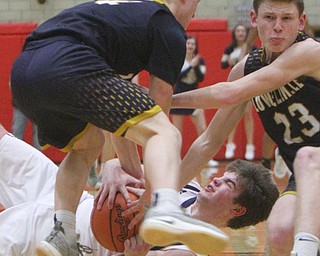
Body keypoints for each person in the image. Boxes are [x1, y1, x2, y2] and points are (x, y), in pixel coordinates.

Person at [9, 1, 227, 256]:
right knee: (165, 133)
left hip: (24, 74)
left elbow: (121, 125)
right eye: (195, 6)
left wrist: (133, 175)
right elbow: (158, 114)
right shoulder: (168, 27)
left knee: (87, 145)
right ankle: (166, 207)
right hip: (67, 62)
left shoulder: (124, 18)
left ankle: (63, 232)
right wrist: (151, 193)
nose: (194, 14)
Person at [171, 0, 320, 255]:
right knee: (279, 231)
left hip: (312, 162)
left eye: (286, 19)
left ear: (301, 22)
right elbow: (209, 141)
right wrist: (163, 195)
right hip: (305, 175)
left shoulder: (310, 52)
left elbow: (229, 94)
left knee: (309, 156)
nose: (277, 27)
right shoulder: (244, 70)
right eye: (269, 17)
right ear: (254, 18)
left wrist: (164, 101)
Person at [0, 123, 279, 256]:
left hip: (76, 243)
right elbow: (123, 165)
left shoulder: (189, 251)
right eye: (223, 176)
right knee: (4, 144)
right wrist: (111, 167)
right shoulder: (184, 182)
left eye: (228, 184)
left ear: (237, 209)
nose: (216, 180)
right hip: (69, 200)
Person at [170, 35, 218, 167]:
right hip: (179, 96)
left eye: (193, 44)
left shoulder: (199, 61)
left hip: (195, 97)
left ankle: (207, 159)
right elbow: (177, 77)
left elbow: (201, 77)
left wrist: (195, 66)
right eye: (188, 43)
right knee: (176, 131)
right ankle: (176, 159)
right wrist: (190, 66)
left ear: (195, 47)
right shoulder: (178, 59)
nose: (190, 46)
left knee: (203, 129)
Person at [221, 24, 256, 161]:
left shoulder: (252, 48)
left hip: (248, 85)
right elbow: (223, 63)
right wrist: (228, 60)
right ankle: (230, 144)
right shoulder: (230, 48)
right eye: (238, 31)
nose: (240, 33)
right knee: (232, 114)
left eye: (243, 31)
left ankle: (250, 145)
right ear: (234, 34)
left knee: (247, 113)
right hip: (234, 85)